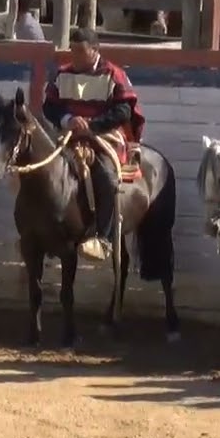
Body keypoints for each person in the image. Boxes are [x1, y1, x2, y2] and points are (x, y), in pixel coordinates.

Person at [41, 27, 145, 262]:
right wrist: (68, 119)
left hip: (103, 138)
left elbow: (123, 110)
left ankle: (103, 238)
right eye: (73, 50)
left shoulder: (113, 75)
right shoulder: (62, 74)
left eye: (81, 51)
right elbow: (49, 106)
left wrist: (92, 125)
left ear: (95, 50)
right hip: (69, 137)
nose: (75, 56)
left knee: (106, 178)